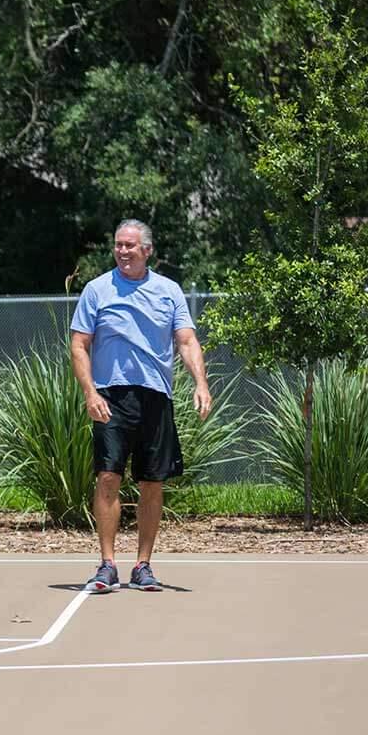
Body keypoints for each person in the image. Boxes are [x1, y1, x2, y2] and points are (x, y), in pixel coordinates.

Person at [69, 219, 212, 592]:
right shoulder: (97, 290)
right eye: (118, 245)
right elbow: (79, 345)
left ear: (147, 250)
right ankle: (107, 564)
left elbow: (186, 340)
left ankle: (143, 565)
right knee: (107, 476)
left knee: (152, 481)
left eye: (130, 245)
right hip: (111, 396)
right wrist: (90, 393)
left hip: (155, 396)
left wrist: (201, 383)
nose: (123, 251)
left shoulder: (169, 291)